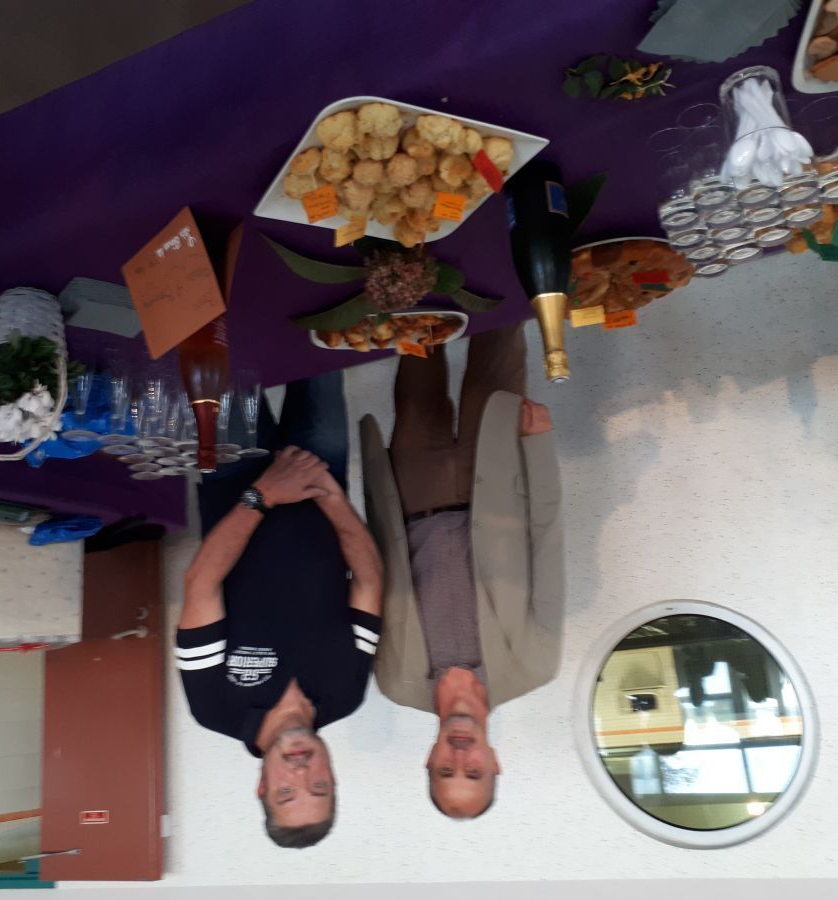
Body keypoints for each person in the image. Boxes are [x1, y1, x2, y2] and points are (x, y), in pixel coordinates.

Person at [359, 323, 564, 819]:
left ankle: (420, 280)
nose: (459, 758)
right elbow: (549, 549)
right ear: (495, 763)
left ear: (428, 761)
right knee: (499, 340)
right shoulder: (535, 665)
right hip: (495, 482)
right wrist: (539, 450)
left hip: (412, 490)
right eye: (473, 772)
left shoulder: (394, 681)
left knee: (417, 344)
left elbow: (371, 583)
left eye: (445, 771)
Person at [176, 371, 383, 848]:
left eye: (287, 792)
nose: (302, 771)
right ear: (333, 777)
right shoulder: (346, 695)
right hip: (319, 474)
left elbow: (201, 584)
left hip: (235, 478)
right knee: (320, 353)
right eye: (319, 786)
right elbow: (370, 581)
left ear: (262, 787)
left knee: (227, 355)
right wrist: (332, 496)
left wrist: (263, 495)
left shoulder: (215, 709)